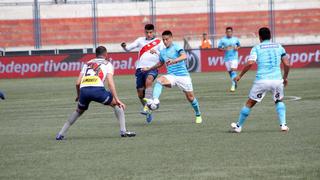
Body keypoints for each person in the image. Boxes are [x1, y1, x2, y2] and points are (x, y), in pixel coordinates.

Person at [56, 46, 136, 140]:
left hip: (84, 90)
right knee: (117, 105)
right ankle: (123, 131)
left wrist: (79, 95)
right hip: (97, 90)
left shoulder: (88, 63)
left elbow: (77, 83)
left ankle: (60, 134)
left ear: (96, 54)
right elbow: (110, 83)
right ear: (106, 54)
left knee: (78, 111)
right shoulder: (108, 64)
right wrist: (117, 100)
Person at [230, 27, 290, 133]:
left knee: (250, 103)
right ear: (270, 36)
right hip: (277, 80)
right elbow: (287, 64)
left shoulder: (257, 48)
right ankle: (283, 125)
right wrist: (285, 78)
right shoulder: (279, 46)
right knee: (279, 100)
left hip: (262, 80)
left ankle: (238, 126)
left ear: (260, 37)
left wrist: (240, 76)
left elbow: (250, 63)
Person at [142, 30, 202, 124]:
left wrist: (174, 61)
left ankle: (198, 114)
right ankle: (156, 100)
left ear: (171, 38)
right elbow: (160, 63)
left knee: (190, 98)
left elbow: (184, 56)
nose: (165, 41)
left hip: (183, 76)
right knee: (159, 80)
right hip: (172, 76)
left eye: (167, 39)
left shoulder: (176, 46)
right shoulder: (162, 52)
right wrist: (149, 68)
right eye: (164, 40)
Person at [121, 24, 163, 123]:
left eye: (150, 32)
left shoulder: (159, 42)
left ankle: (147, 108)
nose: (149, 34)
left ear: (153, 32)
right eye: (147, 32)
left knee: (149, 81)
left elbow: (163, 54)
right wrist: (124, 46)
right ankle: (147, 108)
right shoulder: (140, 40)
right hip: (140, 69)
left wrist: (156, 52)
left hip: (152, 67)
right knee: (140, 93)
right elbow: (128, 48)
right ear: (145, 32)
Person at [218, 27, 241, 92]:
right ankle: (235, 81)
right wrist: (224, 49)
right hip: (227, 58)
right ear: (226, 33)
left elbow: (239, 45)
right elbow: (219, 48)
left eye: (230, 32)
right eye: (227, 32)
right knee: (230, 72)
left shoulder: (235, 39)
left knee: (233, 70)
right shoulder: (223, 40)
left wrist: (237, 48)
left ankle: (233, 85)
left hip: (234, 58)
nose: (229, 33)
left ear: (232, 32)